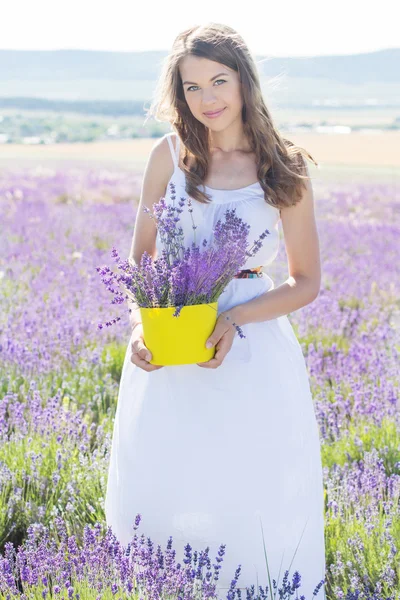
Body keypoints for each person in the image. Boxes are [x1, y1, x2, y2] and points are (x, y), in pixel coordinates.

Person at [105, 22, 326, 599]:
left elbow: (306, 282)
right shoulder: (168, 155)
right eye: (192, 87)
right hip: (169, 345)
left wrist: (234, 320)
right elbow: (141, 261)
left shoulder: (285, 166)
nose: (207, 99)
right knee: (168, 482)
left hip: (251, 352)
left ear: (245, 81)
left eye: (218, 81)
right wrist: (136, 328)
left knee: (252, 485)